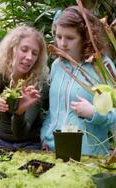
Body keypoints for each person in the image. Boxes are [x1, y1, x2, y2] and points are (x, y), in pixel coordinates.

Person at [41, 6, 116, 156]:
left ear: (86, 37)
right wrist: (45, 136)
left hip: (89, 155)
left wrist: (94, 113)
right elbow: (53, 110)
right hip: (53, 150)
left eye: (69, 38)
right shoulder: (58, 65)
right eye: (59, 36)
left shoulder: (102, 66)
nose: (62, 44)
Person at [0, 25, 49, 149]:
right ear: (11, 49)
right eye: (24, 49)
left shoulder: (40, 81)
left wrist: (20, 112)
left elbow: (21, 133)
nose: (29, 57)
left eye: (34, 53)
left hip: (30, 143)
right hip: (0, 141)